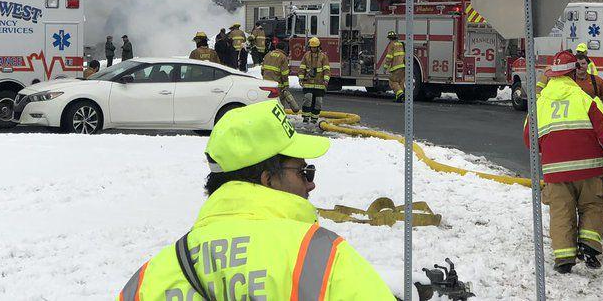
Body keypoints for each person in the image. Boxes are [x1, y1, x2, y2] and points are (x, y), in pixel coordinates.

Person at [117, 100, 395, 300]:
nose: (311, 182)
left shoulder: (152, 277)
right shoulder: (323, 257)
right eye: (303, 171)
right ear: (268, 179)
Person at [523, 49, 603, 274]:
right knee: (593, 205)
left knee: (561, 213)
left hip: (555, 173)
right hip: (589, 170)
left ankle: (564, 258)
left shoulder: (538, 106)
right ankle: (589, 245)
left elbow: (528, 139)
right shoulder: (586, 99)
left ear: (552, 76)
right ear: (572, 75)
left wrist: (547, 151)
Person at [261, 36, 299, 114]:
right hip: (277, 85)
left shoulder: (268, 55)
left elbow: (262, 69)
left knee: (268, 103)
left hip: (266, 84)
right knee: (280, 103)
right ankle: (279, 118)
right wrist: (286, 86)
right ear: (284, 49)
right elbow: (284, 74)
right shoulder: (283, 57)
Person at [299, 37, 330, 126]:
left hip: (319, 84)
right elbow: (302, 68)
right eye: (312, 47)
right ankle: (305, 117)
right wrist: (301, 78)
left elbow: (327, 69)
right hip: (308, 82)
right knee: (307, 99)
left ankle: (314, 118)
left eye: (315, 47)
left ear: (318, 47)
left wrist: (326, 80)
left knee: (318, 102)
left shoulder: (323, 56)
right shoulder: (306, 56)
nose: (313, 49)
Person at [384, 31, 406, 103]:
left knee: (392, 81)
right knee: (400, 82)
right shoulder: (401, 44)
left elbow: (389, 57)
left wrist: (385, 67)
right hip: (403, 66)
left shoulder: (391, 45)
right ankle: (399, 98)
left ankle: (400, 94)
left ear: (389, 39)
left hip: (396, 67)